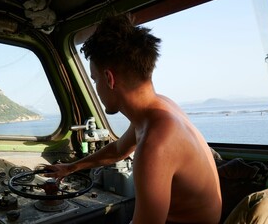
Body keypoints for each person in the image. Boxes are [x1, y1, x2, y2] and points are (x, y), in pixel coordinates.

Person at [45, 13, 222, 224]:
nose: (96, 89)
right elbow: (119, 150)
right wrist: (70, 167)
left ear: (109, 79)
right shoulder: (159, 109)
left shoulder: (156, 144)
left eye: (94, 80)